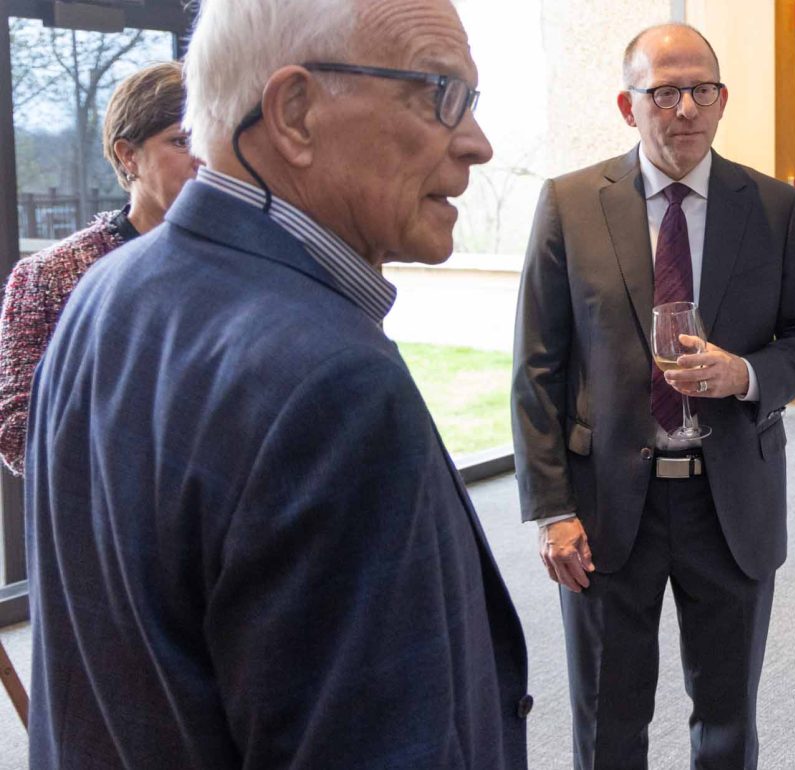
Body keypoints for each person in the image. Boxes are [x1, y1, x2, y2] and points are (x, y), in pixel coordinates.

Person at [24, 0, 528, 766]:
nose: (477, 142)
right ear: (294, 113)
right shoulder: (332, 385)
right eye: (438, 93)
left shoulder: (105, 291)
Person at [513, 23, 795, 770]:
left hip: (731, 501)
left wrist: (745, 374)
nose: (685, 109)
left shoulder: (775, 208)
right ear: (628, 106)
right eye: (664, 93)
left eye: (701, 91)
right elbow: (536, 369)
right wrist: (552, 510)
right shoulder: (569, 204)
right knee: (608, 723)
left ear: (722, 100)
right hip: (603, 506)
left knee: (727, 723)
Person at [0, 61, 197, 474]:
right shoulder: (50, 275)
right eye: (181, 141)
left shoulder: (244, 263)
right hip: (107, 505)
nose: (201, 158)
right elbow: (17, 432)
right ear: (129, 156)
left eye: (209, 139)